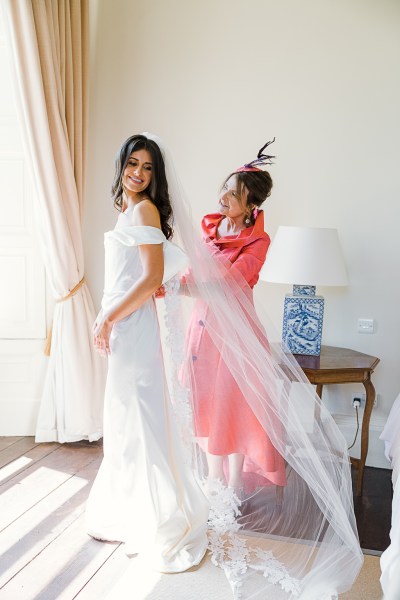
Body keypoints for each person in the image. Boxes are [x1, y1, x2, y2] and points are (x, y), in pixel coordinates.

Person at [85, 134, 209, 573]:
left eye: (148, 167)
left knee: (141, 414)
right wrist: (108, 319)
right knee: (125, 417)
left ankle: (161, 517)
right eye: (132, 163)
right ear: (121, 165)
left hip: (132, 327)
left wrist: (105, 319)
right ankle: (131, 508)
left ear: (155, 176)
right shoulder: (129, 210)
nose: (138, 173)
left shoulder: (144, 209)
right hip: (126, 324)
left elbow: (150, 277)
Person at [184, 145, 287, 496]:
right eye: (225, 188)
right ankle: (214, 479)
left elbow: (231, 282)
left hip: (236, 335)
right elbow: (189, 272)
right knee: (208, 403)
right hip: (202, 330)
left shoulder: (258, 241)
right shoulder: (209, 230)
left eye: (234, 193)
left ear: (251, 205)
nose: (224, 196)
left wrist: (182, 285)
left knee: (235, 406)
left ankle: (235, 482)